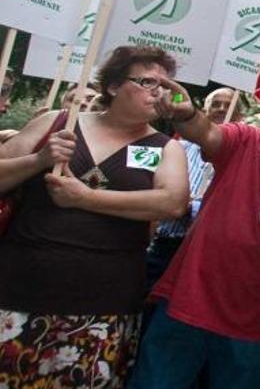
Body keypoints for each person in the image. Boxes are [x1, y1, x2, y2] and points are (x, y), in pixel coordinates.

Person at [0, 46, 189, 387]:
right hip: (18, 295)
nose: (157, 92)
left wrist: (86, 198)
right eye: (147, 81)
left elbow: (172, 203)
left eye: (164, 85)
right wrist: (39, 159)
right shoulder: (57, 123)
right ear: (114, 86)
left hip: (103, 306)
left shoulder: (164, 147)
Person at [129, 77, 260, 389]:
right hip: (187, 305)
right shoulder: (245, 139)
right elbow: (207, 133)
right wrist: (186, 114)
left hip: (254, 326)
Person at [144, 87, 243, 293]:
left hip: (210, 253)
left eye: (228, 105)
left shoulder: (245, 155)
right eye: (216, 104)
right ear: (204, 112)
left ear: (240, 115)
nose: (222, 109)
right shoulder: (177, 147)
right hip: (167, 245)